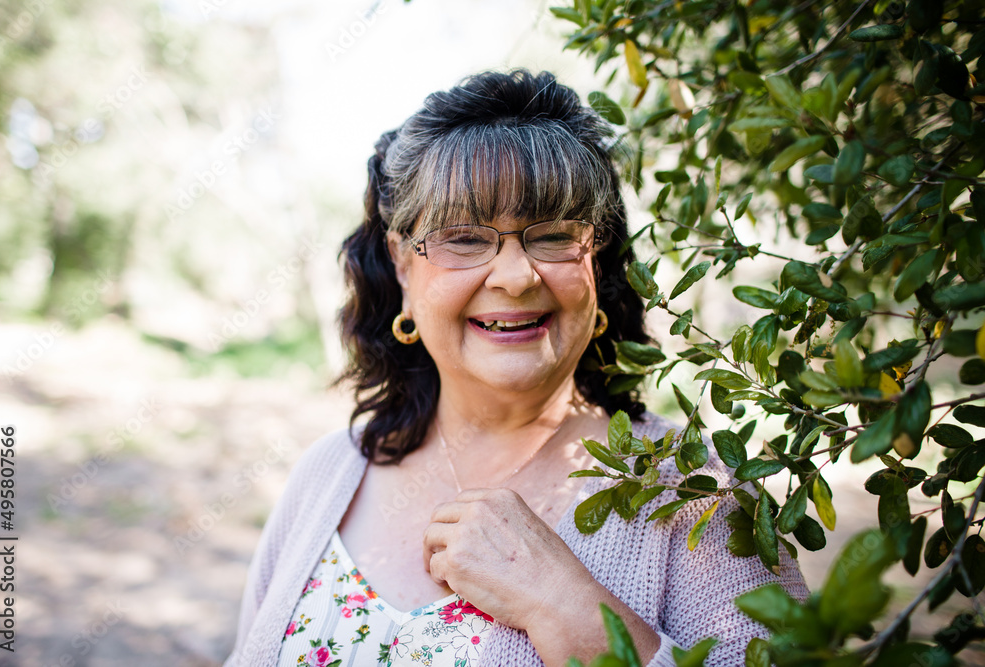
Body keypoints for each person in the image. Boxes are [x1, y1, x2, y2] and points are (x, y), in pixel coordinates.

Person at [225, 69, 807, 667]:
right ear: (402, 264)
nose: (515, 277)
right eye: (464, 238)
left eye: (553, 235)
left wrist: (568, 607)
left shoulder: (695, 493)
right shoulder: (327, 475)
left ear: (597, 261)